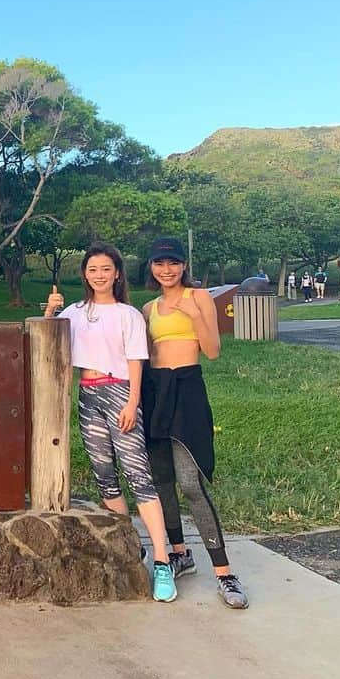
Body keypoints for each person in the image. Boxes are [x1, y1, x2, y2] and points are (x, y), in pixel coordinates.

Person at [44, 244, 177, 602]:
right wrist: (51, 309)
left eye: (106, 269)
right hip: (89, 395)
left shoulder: (128, 314)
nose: (99, 275)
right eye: (92, 269)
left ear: (117, 273)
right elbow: (48, 339)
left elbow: (136, 361)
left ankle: (163, 562)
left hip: (119, 393)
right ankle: (132, 545)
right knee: (105, 475)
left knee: (138, 475)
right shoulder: (74, 312)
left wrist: (133, 402)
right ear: (84, 274)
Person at [140, 236, 249, 609]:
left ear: (183, 265)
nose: (166, 269)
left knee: (190, 482)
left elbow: (214, 351)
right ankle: (179, 552)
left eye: (172, 263)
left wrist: (195, 316)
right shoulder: (147, 307)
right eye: (159, 263)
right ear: (152, 267)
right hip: (156, 391)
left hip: (187, 388)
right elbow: (140, 355)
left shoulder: (199, 299)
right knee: (162, 481)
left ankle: (224, 571)